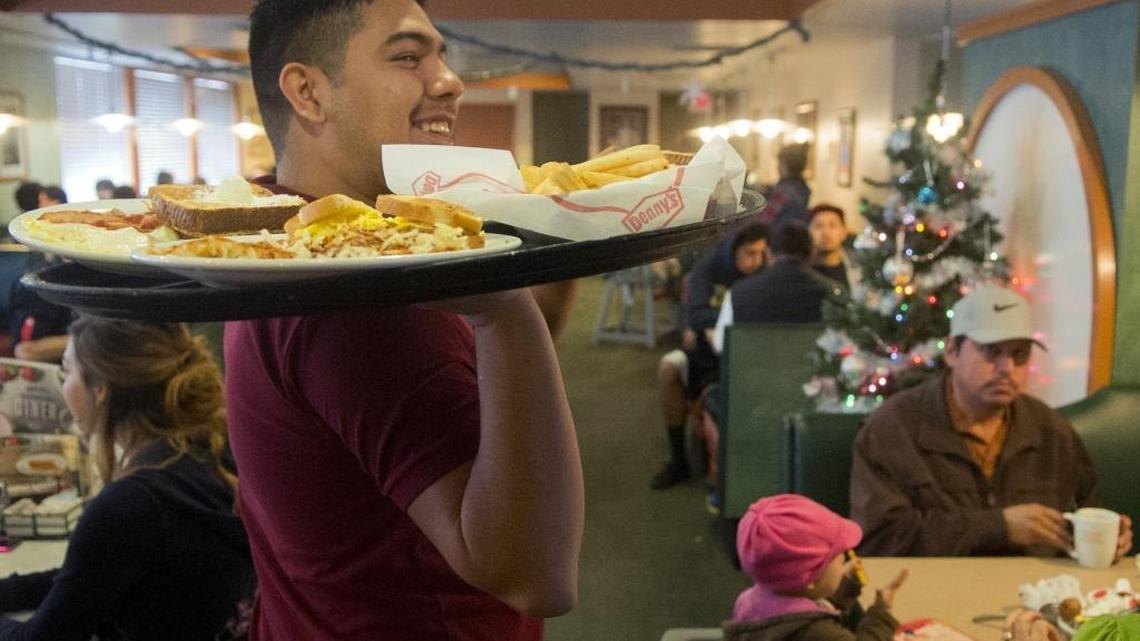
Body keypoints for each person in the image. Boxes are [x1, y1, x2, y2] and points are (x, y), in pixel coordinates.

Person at [224, 1, 584, 639]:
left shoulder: (277, 232)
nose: (449, 81)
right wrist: (508, 314)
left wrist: (562, 238)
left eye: (441, 56)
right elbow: (536, 576)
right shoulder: (360, 298)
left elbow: (471, 394)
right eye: (408, 57)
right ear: (308, 92)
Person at [0, 317, 254, 639]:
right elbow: (89, 578)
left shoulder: (129, 504)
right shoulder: (210, 452)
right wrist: (8, 591)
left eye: (67, 371)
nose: (64, 385)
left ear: (101, 388)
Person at [849, 284, 1134, 557]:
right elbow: (878, 540)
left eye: (1019, 353)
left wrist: (1108, 538)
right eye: (991, 351)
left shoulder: (1052, 430)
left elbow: (1087, 512)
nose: (1007, 368)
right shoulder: (893, 428)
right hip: (930, 594)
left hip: (1037, 597)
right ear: (952, 351)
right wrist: (998, 527)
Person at [651, 222, 769, 490]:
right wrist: (735, 313)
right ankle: (678, 460)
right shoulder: (707, 269)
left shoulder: (764, 273)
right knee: (668, 368)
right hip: (706, 353)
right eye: (750, 253)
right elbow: (694, 315)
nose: (756, 260)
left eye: (761, 253)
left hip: (750, 353)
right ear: (733, 251)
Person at [723, 494, 908, 641]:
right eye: (837, 558)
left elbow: (803, 611)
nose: (844, 558)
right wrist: (881, 615)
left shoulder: (749, 603)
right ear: (810, 577)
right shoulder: (819, 633)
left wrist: (845, 587)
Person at [713, 220, 836, 354]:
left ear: (769, 253)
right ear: (812, 253)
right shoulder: (834, 292)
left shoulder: (738, 293)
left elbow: (720, 344)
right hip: (812, 374)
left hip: (754, 373)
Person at [759, 144, 810, 227]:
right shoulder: (803, 188)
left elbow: (764, 221)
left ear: (784, 165)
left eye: (779, 163)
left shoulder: (784, 191)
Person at [808, 204, 858, 288]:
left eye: (832, 225)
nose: (825, 232)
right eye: (818, 226)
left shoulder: (858, 266)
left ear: (844, 232)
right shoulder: (801, 269)